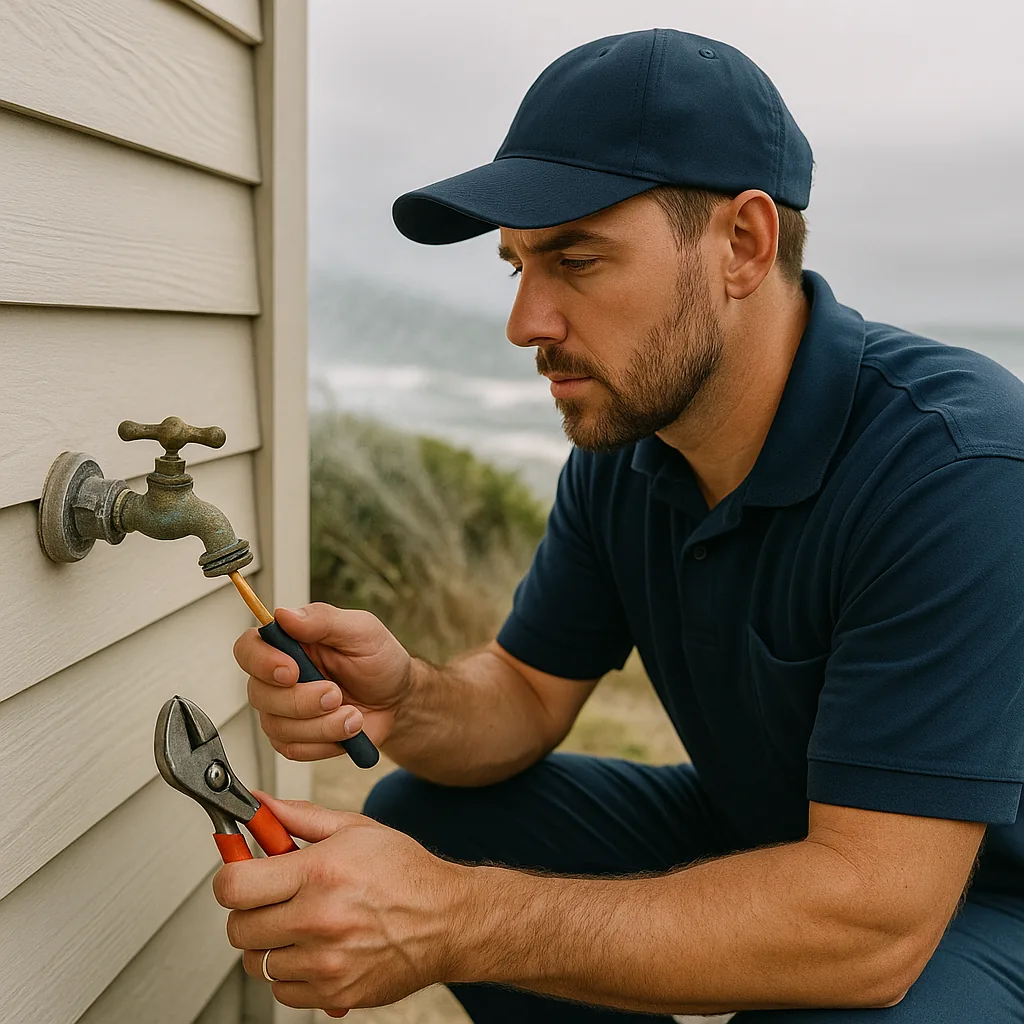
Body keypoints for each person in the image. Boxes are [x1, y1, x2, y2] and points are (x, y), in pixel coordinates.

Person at [216, 28, 1024, 1022]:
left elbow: (872, 922)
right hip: (771, 831)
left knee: (840, 1005)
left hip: (983, 895)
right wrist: (402, 700)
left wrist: (455, 919)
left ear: (742, 245)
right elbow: (520, 692)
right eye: (514, 265)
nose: (525, 321)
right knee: (431, 817)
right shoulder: (628, 449)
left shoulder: (955, 464)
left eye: (576, 258)